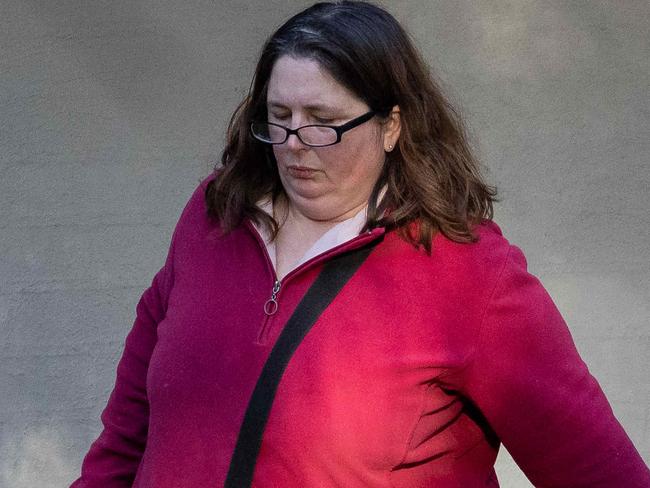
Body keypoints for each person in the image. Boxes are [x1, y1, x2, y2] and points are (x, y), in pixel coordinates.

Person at [71, 1, 650, 487]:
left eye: (322, 120)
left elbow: (601, 472)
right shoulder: (211, 217)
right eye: (279, 116)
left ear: (391, 125)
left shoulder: (469, 274)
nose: (295, 143)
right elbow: (126, 439)